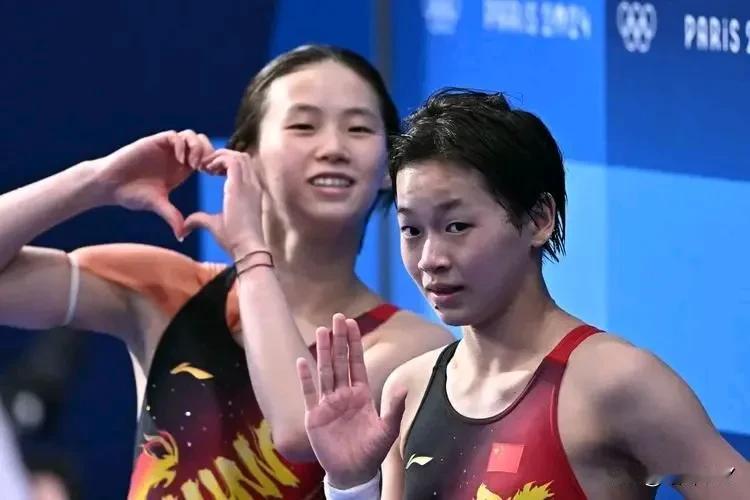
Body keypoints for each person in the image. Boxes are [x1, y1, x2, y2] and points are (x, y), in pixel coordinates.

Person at [0, 45, 452, 499]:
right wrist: (96, 180)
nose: (333, 148)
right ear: (245, 156)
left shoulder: (413, 349)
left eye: (358, 128)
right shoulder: (169, 291)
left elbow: (297, 428)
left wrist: (250, 250)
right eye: (303, 125)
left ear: (389, 168)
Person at [296, 88, 750, 499]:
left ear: (538, 220)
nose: (431, 258)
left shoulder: (614, 382)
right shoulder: (408, 389)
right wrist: (351, 484)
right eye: (412, 230)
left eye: (457, 226)